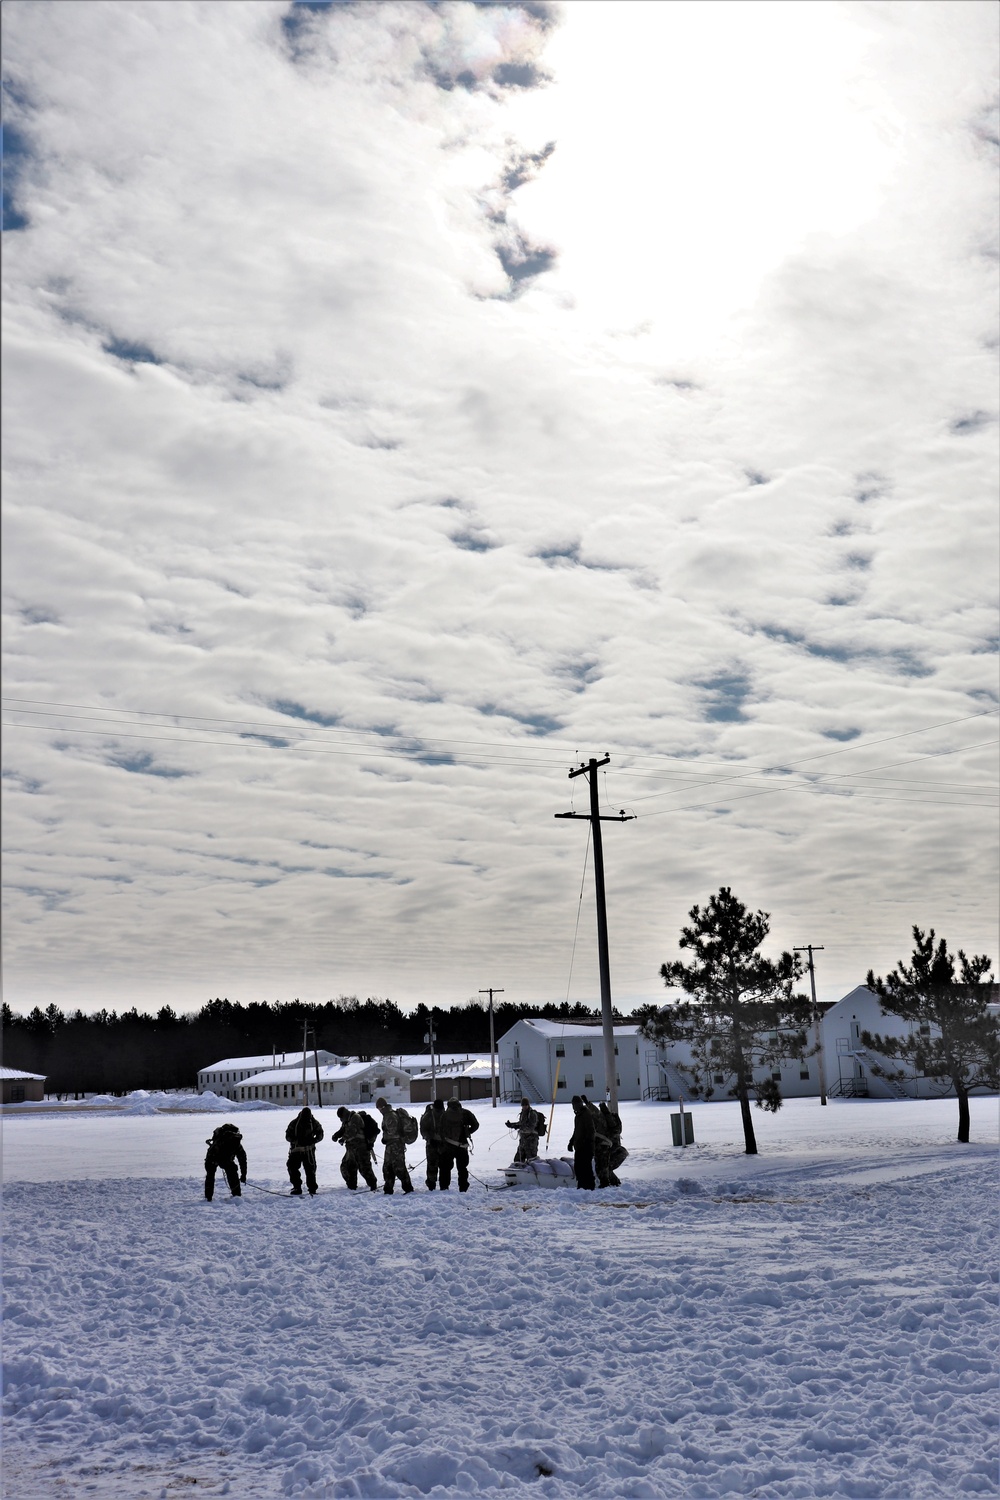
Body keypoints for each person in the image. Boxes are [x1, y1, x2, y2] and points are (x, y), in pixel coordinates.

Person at [375, 1096, 415, 1195]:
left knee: (399, 1167)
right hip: (390, 1145)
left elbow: (393, 1132)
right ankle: (388, 1189)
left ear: (382, 1107)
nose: (379, 1110)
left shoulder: (390, 1116)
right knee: (387, 1167)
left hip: (396, 1145)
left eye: (379, 1108)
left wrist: (385, 1138)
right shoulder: (387, 1115)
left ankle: (408, 1188)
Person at [332, 1106, 378, 1191]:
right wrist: (336, 1135)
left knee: (364, 1168)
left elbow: (352, 1131)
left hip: (361, 1148)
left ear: (345, 1114)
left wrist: (343, 1139)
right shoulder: (347, 1120)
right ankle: (351, 1184)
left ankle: (373, 1184)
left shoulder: (355, 1117)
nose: (341, 1120)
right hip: (351, 1148)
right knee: (347, 1166)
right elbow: (343, 1129)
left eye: (341, 1118)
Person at [439, 1097, 480, 1192]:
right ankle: (463, 1187)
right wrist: (468, 1132)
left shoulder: (444, 1115)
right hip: (462, 1145)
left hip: (448, 1145)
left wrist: (444, 1141)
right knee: (462, 1168)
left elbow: (440, 1130)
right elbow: (476, 1125)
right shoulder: (466, 1113)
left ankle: (444, 1187)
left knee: (445, 1168)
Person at [286, 1106, 324, 1196]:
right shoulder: (294, 1123)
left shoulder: (313, 1123)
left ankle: (312, 1188)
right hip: (296, 1150)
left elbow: (320, 1133)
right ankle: (297, 1187)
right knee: (292, 1167)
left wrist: (314, 1140)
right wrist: (295, 1140)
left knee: (310, 1170)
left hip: (308, 1151)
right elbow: (287, 1136)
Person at [204, 1122, 247, 1200]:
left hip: (212, 1157)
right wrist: (243, 1175)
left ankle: (208, 1197)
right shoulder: (237, 1144)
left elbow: (242, 1159)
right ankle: (236, 1196)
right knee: (232, 1172)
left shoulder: (218, 1139)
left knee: (210, 1176)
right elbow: (242, 1160)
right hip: (225, 1159)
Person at [568, 1095, 596, 1190]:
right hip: (579, 1146)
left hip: (586, 1146)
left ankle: (590, 1186)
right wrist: (571, 1142)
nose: (574, 1106)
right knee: (578, 1167)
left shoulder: (586, 1114)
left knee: (586, 1167)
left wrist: (588, 1142)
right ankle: (581, 1185)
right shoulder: (578, 1116)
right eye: (573, 1104)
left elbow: (591, 1130)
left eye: (576, 1104)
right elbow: (576, 1131)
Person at [505, 1098, 546, 1163]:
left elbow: (531, 1127)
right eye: (523, 1105)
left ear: (528, 1105)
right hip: (523, 1140)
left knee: (531, 1159)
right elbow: (521, 1123)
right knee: (518, 1159)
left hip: (531, 1140)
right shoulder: (522, 1114)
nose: (524, 1106)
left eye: (526, 1105)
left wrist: (520, 1127)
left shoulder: (532, 1114)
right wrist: (512, 1125)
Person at [420, 1098, 447, 1189]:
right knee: (435, 1165)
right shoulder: (430, 1115)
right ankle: (435, 1185)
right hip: (434, 1143)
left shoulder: (429, 1115)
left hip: (439, 1143)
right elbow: (424, 1130)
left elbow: (423, 1130)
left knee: (438, 1165)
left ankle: (434, 1185)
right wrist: (430, 1138)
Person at [600, 1101, 627, 1186]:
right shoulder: (604, 1122)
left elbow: (616, 1129)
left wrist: (606, 1113)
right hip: (612, 1151)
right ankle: (615, 1183)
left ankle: (615, 1184)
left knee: (606, 1168)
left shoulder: (613, 1121)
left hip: (617, 1152)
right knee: (605, 1168)